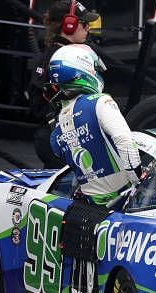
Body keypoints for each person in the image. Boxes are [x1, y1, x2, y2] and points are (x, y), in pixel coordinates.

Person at [48, 44, 145, 206]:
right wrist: (139, 182)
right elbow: (124, 140)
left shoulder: (57, 125)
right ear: (83, 71)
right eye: (95, 69)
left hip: (90, 207)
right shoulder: (100, 102)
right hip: (125, 202)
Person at [27, 1, 99, 168]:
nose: (88, 28)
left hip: (71, 137)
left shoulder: (75, 53)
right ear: (68, 25)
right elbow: (38, 105)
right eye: (84, 23)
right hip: (59, 139)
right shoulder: (55, 59)